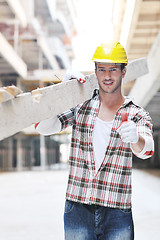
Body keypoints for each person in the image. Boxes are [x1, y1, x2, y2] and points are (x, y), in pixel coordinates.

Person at [35, 41, 154, 240]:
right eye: (102, 69)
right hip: (78, 207)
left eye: (113, 70)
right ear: (96, 72)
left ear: (124, 72)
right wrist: (63, 94)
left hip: (117, 209)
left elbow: (147, 149)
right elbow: (44, 127)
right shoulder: (81, 106)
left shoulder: (136, 114)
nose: (107, 76)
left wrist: (136, 138)